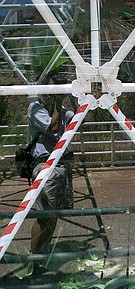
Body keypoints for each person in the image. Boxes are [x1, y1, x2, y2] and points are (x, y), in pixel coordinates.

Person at [28, 73, 74, 254]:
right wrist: (57, 100)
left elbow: (81, 117)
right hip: (45, 165)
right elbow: (52, 126)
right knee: (44, 215)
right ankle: (35, 256)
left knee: (55, 214)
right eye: (51, 86)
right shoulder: (36, 107)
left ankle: (45, 250)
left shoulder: (61, 109)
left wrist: (73, 94)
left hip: (61, 165)